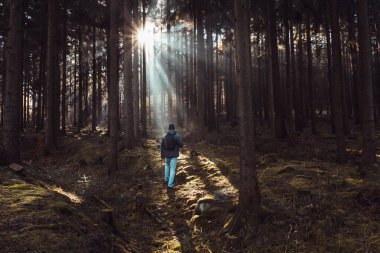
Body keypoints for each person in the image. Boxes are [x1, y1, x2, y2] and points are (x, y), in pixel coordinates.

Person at [161, 124, 184, 189]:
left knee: (167, 165)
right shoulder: (177, 136)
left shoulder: (164, 136)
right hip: (174, 155)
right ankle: (170, 185)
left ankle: (166, 179)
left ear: (168, 129)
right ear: (174, 128)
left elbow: (162, 146)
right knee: (172, 169)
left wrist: (162, 155)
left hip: (166, 155)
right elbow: (181, 145)